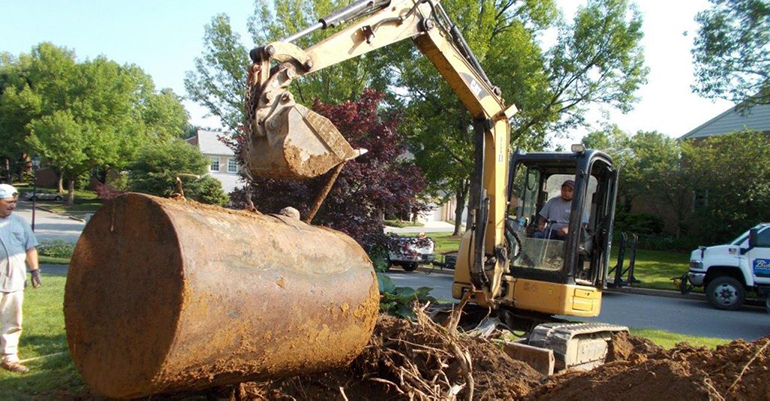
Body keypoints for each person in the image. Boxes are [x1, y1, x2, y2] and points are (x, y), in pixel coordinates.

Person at [0, 184, 41, 373]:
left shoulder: (19, 222)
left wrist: (35, 270)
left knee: (13, 320)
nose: (12, 206)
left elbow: (30, 246)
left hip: (14, 280)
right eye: (8, 202)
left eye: (15, 202)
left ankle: (9, 358)